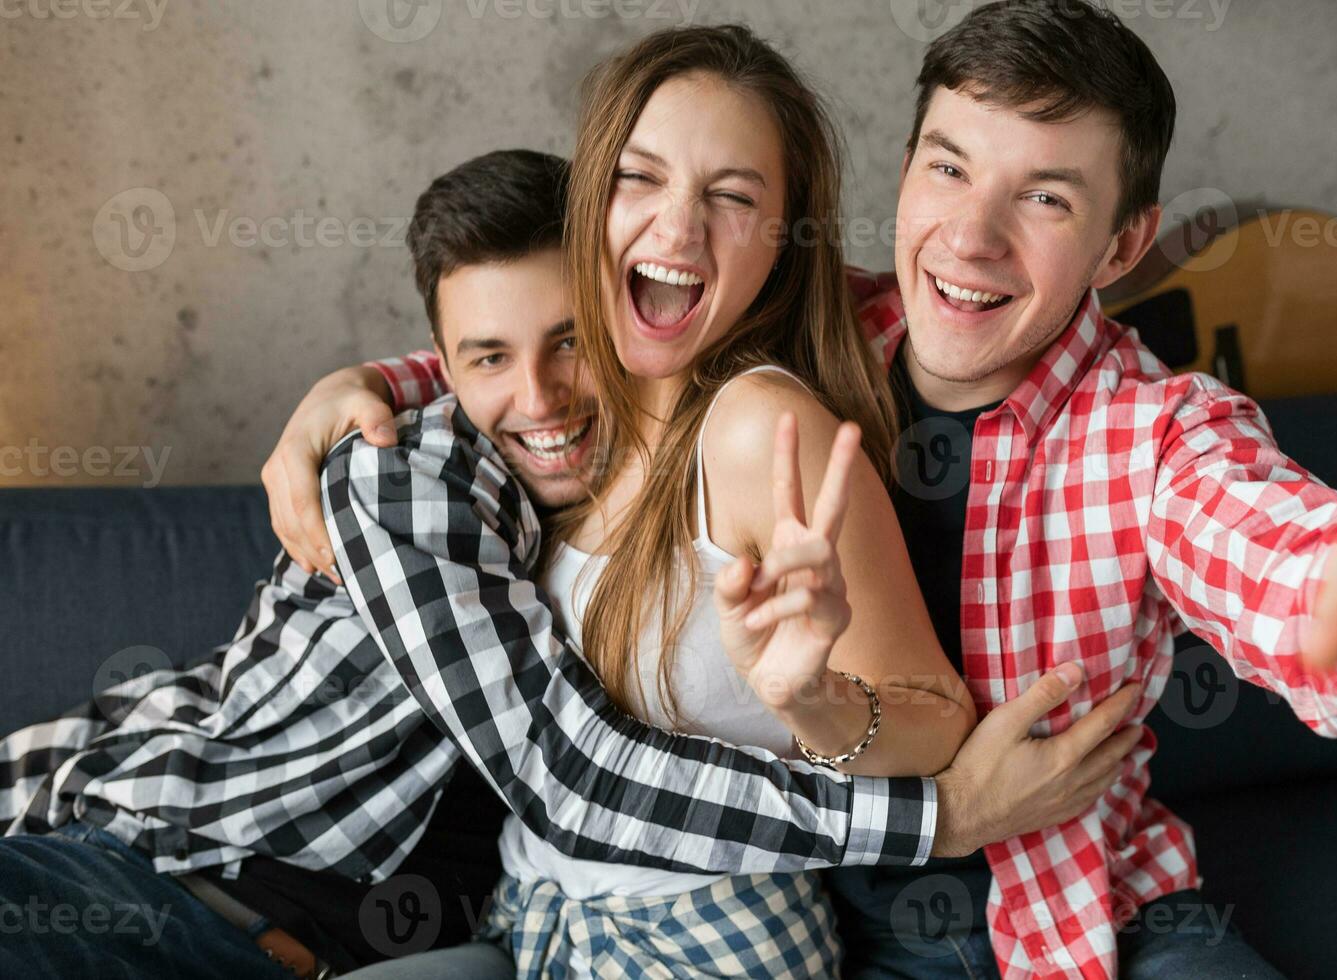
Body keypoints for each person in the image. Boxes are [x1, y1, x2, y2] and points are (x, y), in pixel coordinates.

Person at [275, 4, 1337, 978]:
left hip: (1068, 918)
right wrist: (371, 380)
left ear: (1121, 245)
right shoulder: (837, 319)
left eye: (1046, 197)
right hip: (834, 914)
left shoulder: (1156, 437)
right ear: (904, 175)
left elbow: (1281, 558)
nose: (973, 236)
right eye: (950, 167)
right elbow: (581, 327)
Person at [0, 147, 1136, 980]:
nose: (536, 399)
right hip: (134, 860)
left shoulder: (648, 472)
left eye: (568, 345)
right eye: (486, 358)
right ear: (444, 368)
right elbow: (566, 774)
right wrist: (939, 815)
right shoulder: (412, 478)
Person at [328, 25, 984, 977]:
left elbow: (938, 716)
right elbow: (478, 347)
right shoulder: (579, 401)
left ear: (782, 244)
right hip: (534, 909)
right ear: (589, 201)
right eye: (641, 179)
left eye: (731, 197)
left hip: (706, 937)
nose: (678, 231)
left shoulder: (760, 427)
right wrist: (344, 394)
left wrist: (817, 703)